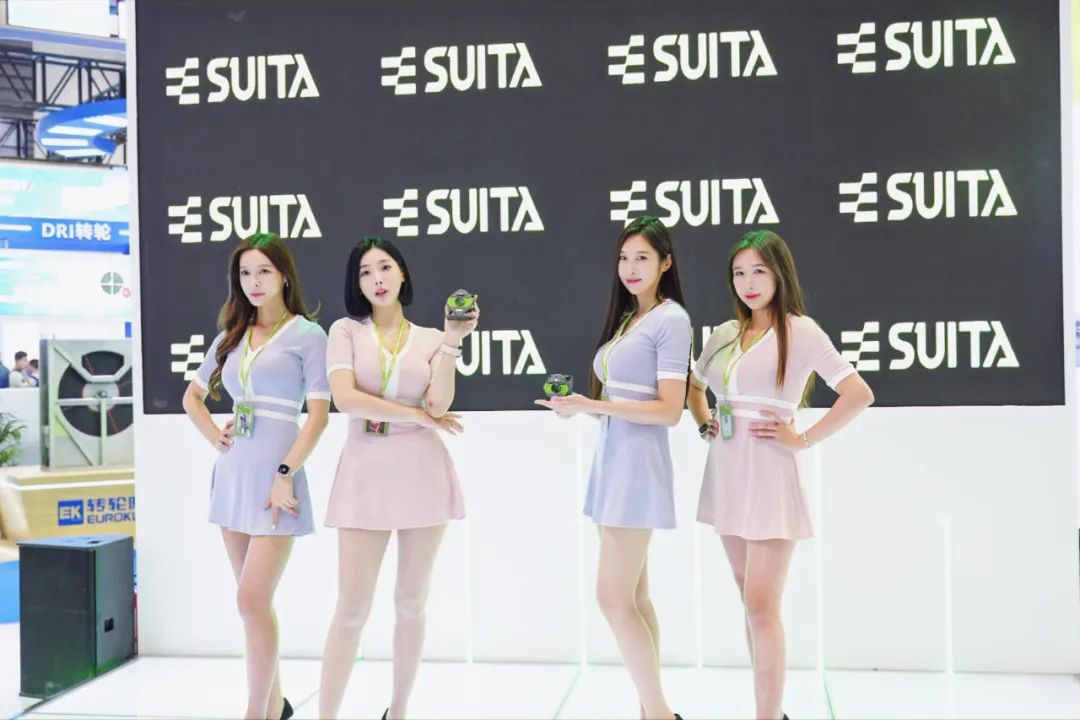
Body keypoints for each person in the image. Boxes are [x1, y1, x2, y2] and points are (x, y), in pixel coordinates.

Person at [689, 230, 874, 720]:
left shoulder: (800, 331)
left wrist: (803, 438)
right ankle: (772, 711)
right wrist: (705, 421)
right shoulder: (724, 335)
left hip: (770, 473)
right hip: (728, 472)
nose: (748, 282)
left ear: (779, 274)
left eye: (759, 271)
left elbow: (859, 393)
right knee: (749, 600)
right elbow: (694, 387)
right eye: (739, 273)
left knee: (760, 604)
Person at [536, 216, 690, 720]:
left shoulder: (671, 319)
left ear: (665, 263)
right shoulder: (630, 319)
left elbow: (669, 410)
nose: (630, 267)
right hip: (614, 461)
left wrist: (594, 405)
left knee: (612, 598)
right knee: (635, 599)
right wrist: (582, 408)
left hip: (637, 468)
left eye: (642, 257)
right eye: (624, 258)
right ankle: (651, 712)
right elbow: (625, 401)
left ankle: (661, 714)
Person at [319, 237, 475, 720]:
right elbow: (345, 399)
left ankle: (399, 712)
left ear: (402, 273)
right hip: (365, 472)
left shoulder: (430, 339)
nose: (377, 279)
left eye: (385, 267)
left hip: (421, 472)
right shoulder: (345, 331)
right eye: (365, 272)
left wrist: (452, 341)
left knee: (411, 602)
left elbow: (438, 405)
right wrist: (416, 417)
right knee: (351, 609)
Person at [182, 232, 330, 720]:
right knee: (251, 606)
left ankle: (255, 714)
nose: (254, 281)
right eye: (245, 273)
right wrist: (215, 436)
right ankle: (275, 708)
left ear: (284, 275)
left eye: (264, 271)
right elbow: (192, 397)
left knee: (252, 598)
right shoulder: (233, 335)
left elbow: (318, 417)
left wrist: (286, 472)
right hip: (233, 474)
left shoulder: (308, 335)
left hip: (275, 480)